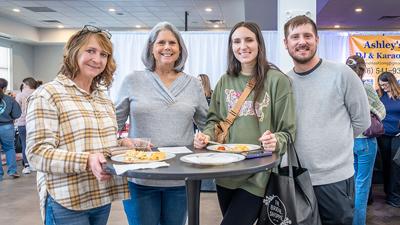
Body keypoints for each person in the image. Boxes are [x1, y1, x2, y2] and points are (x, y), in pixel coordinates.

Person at [26, 25, 129, 225]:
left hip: (100, 196)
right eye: (90, 51)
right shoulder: (48, 94)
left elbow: (96, 143)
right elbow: (36, 153)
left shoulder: (102, 97)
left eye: (104, 54)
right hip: (66, 200)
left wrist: (122, 144)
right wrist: (86, 160)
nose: (97, 59)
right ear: (73, 52)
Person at [194, 21, 296, 225]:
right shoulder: (224, 80)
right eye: (236, 41)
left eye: (249, 40)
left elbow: (288, 131)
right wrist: (206, 135)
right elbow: (214, 121)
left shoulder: (278, 81)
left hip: (259, 173)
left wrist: (275, 140)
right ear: (231, 47)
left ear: (259, 43)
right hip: (225, 172)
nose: (243, 46)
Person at [115, 21, 208, 225]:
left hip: (181, 177)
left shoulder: (193, 84)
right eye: (161, 42)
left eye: (173, 43)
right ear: (151, 48)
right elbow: (113, 123)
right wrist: (120, 144)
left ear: (180, 49)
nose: (167, 47)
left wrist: (205, 135)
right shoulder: (133, 80)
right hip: (140, 176)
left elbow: (207, 123)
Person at [283, 15, 370, 225]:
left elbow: (362, 121)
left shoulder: (342, 74)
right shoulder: (284, 82)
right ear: (286, 43)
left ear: (317, 40)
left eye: (307, 36)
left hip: (336, 180)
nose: (301, 41)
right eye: (295, 37)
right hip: (296, 180)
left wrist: (332, 141)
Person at [346, 55, 386, 225]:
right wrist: (369, 111)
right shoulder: (366, 88)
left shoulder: (343, 88)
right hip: (366, 142)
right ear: (363, 70)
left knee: (354, 186)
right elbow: (382, 111)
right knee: (362, 187)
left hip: (350, 141)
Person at [376, 71, 400, 208]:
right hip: (383, 135)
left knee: (395, 166)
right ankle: (388, 192)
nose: (383, 87)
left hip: (398, 135)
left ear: (392, 82)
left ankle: (394, 196)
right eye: (381, 85)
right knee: (385, 165)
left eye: (385, 85)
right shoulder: (379, 96)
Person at [15, 77, 39, 174]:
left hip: (22, 123)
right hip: (36, 122)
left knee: (25, 144)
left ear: (26, 84)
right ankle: (35, 164)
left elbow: (16, 110)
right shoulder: (39, 92)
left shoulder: (20, 95)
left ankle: (27, 165)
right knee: (36, 144)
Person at [0, 78, 22, 180]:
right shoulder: (10, 100)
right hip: (7, 127)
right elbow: (17, 114)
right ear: (4, 88)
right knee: (9, 148)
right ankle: (12, 171)